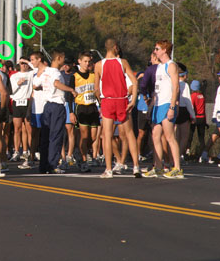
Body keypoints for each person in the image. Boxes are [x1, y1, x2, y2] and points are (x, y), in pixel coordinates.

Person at [94, 39, 141, 178]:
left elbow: (96, 89)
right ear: (115, 48)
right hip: (122, 100)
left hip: (107, 101)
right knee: (129, 133)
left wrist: (100, 101)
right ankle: (136, 166)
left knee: (107, 135)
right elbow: (135, 81)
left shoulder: (98, 65)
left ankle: (108, 169)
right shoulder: (123, 62)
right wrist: (133, 100)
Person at [144, 40, 183, 178]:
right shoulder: (159, 67)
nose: (155, 51)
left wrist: (172, 107)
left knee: (169, 137)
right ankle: (158, 166)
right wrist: (152, 104)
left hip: (167, 104)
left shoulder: (172, 66)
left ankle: (177, 167)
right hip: (157, 105)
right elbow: (157, 88)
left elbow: (176, 87)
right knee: (155, 136)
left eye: (157, 49)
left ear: (164, 50)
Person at [39, 50, 77, 174]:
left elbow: (37, 85)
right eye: (63, 58)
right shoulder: (56, 73)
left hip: (47, 105)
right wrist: (70, 89)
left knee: (45, 137)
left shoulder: (46, 71)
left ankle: (43, 165)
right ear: (59, 58)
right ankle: (52, 164)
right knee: (55, 136)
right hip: (57, 105)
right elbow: (56, 84)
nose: (64, 61)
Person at [66, 51, 98, 173]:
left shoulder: (93, 75)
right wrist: (71, 112)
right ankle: (83, 161)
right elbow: (70, 97)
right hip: (81, 108)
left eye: (89, 61)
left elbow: (97, 91)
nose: (87, 64)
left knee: (93, 137)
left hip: (93, 107)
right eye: (84, 61)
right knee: (84, 136)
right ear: (79, 62)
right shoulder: (74, 77)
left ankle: (79, 152)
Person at [10, 57, 34, 169]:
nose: (23, 65)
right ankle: (16, 151)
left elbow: (36, 69)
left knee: (28, 128)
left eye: (25, 64)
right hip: (17, 102)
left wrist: (29, 62)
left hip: (27, 102)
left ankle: (27, 150)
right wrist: (18, 83)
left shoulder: (31, 74)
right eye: (21, 63)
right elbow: (11, 90)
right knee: (17, 128)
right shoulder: (14, 76)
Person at [175, 63, 195, 160]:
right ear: (185, 75)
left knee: (176, 135)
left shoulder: (174, 83)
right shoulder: (185, 85)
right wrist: (193, 115)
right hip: (183, 110)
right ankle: (178, 156)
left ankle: (173, 156)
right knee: (184, 136)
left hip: (175, 109)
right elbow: (188, 101)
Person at [189, 80, 207, 161]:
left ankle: (187, 151)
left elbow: (192, 108)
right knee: (201, 137)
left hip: (195, 118)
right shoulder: (202, 96)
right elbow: (203, 109)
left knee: (190, 135)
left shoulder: (193, 96)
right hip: (202, 118)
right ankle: (202, 155)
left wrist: (190, 117)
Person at [210, 71, 220, 165]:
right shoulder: (219, 88)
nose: (219, 78)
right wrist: (214, 115)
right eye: (219, 76)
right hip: (219, 114)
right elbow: (217, 102)